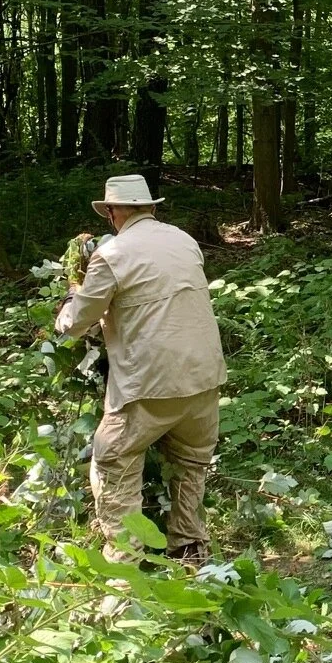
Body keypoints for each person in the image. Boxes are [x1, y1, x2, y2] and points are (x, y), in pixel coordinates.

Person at [55, 175, 227, 561]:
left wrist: (68, 301)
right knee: (190, 465)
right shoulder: (184, 241)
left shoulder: (112, 254)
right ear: (151, 207)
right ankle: (190, 550)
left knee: (112, 460)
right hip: (204, 377)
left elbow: (76, 322)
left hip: (148, 384)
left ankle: (126, 568)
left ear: (113, 212)